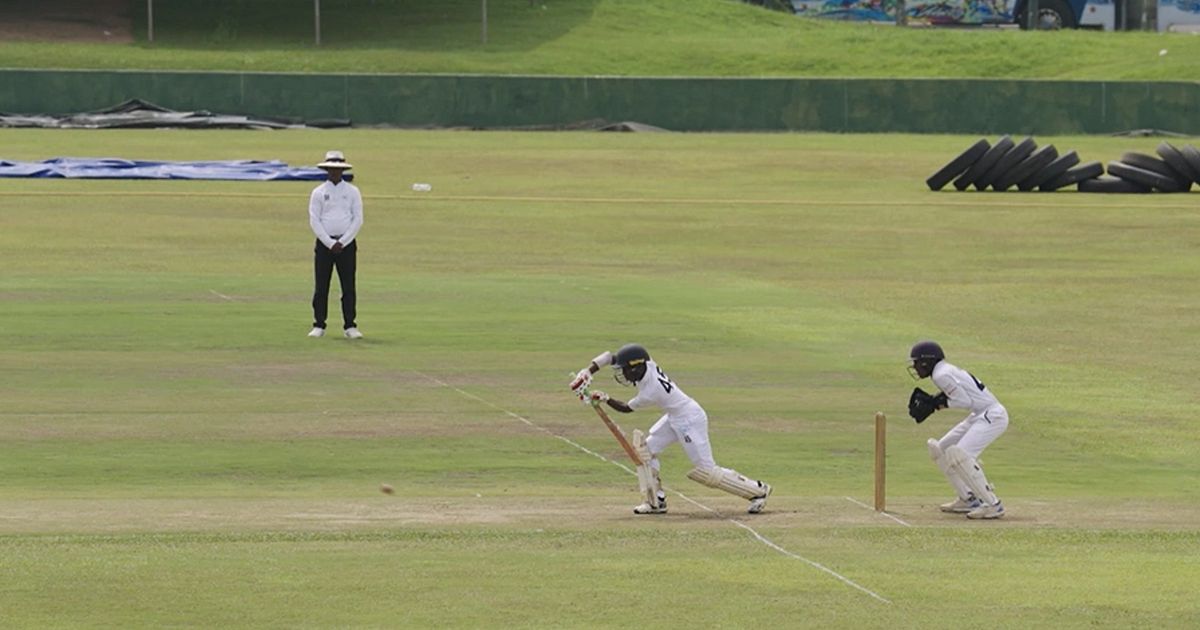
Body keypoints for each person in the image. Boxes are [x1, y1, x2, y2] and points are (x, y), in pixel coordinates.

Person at [570, 344, 772, 515]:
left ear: (637, 367)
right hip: (675, 416)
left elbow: (625, 408)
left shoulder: (651, 390)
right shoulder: (647, 363)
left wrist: (605, 398)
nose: (623, 373)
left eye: (625, 370)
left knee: (706, 471)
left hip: (690, 419)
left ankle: (758, 491)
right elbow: (608, 357)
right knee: (645, 452)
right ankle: (655, 501)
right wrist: (587, 371)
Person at [907, 341, 1007, 519]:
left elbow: (964, 401)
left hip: (992, 416)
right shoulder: (943, 371)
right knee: (941, 449)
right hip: (979, 414)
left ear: (927, 361)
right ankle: (968, 498)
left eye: (916, 362)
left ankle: (992, 504)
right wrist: (937, 401)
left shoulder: (941, 374)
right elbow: (962, 396)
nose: (915, 366)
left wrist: (937, 404)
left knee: (960, 455)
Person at [307, 150, 363, 339]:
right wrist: (330, 242)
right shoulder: (319, 192)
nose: (334, 172)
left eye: (338, 169)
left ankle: (350, 325)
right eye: (331, 169)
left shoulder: (352, 192)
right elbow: (314, 220)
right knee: (321, 286)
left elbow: (358, 219)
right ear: (327, 170)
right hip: (325, 245)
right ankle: (319, 324)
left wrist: (343, 241)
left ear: (342, 170)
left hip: (346, 244)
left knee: (348, 287)